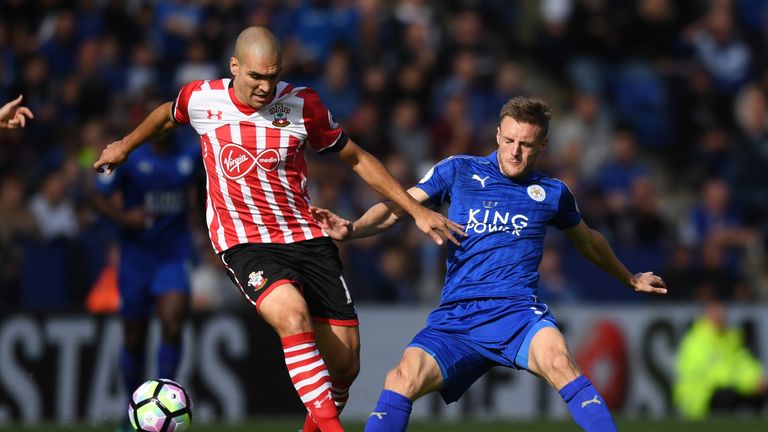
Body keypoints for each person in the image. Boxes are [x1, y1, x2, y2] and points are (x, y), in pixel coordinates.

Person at [93, 26, 463, 432]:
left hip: (305, 236)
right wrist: (125, 145)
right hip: (244, 241)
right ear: (234, 66)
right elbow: (167, 115)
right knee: (292, 314)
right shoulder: (201, 98)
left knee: (346, 365)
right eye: (256, 76)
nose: (266, 87)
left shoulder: (303, 104)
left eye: (273, 76)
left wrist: (414, 210)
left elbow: (356, 159)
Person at [311, 96, 668, 432]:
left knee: (562, 364)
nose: (515, 151)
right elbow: (398, 209)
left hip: (517, 315)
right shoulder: (458, 170)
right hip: (457, 318)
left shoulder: (553, 193)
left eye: (526, 144)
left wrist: (629, 278)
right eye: (509, 139)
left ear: (542, 146)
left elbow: (589, 241)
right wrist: (354, 228)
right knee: (401, 378)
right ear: (497, 134)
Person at [91, 133, 201, 431]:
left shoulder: (191, 155)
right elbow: (97, 197)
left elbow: (203, 195)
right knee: (133, 336)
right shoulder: (130, 156)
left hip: (173, 255)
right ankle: (133, 411)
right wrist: (126, 218)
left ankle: (165, 399)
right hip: (136, 258)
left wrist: (207, 233)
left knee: (173, 324)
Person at [674, 300, 767, 419]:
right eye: (716, 314)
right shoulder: (695, 342)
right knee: (726, 395)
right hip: (701, 398)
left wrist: (756, 379)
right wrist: (746, 384)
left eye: (722, 314)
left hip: (731, 388)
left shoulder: (730, 338)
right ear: (706, 316)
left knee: (760, 392)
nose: (720, 317)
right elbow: (711, 374)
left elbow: (744, 363)